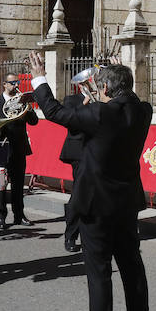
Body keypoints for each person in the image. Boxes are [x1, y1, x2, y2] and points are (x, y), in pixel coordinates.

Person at [29, 53, 153, 311]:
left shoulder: (100, 113)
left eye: (100, 88)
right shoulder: (143, 111)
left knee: (99, 274)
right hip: (126, 202)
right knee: (132, 268)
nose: (96, 92)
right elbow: (126, 98)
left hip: (97, 203)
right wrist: (114, 73)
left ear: (107, 89)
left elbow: (54, 111)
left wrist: (39, 78)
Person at [0, 74, 39, 229]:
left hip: (19, 147)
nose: (16, 85)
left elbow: (34, 122)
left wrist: (28, 108)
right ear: (4, 84)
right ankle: (0, 216)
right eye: (12, 83)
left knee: (18, 185)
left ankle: (19, 215)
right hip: (2, 147)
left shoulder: (22, 101)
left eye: (17, 82)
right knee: (1, 185)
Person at [59, 67, 95, 253]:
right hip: (79, 152)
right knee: (79, 193)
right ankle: (71, 235)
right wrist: (86, 102)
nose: (90, 84)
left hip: (97, 151)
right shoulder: (71, 100)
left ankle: (93, 233)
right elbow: (71, 122)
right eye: (87, 81)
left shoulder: (102, 100)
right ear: (80, 84)